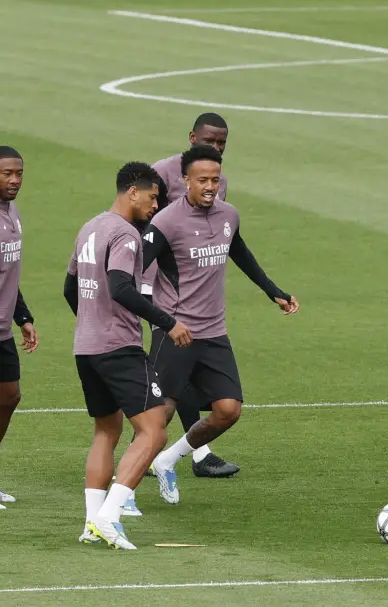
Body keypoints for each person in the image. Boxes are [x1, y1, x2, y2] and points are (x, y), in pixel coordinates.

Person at [142, 145, 298, 504]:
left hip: (213, 332)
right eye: (202, 180)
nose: (210, 186)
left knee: (228, 410)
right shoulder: (166, 221)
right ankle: (124, 489)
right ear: (185, 181)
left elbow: (239, 252)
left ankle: (168, 460)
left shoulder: (229, 214)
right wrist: (156, 318)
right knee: (159, 415)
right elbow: (134, 267)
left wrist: (273, 291)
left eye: (215, 179)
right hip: (177, 332)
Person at [64, 162, 192, 549]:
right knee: (154, 431)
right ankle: (109, 516)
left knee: (107, 430)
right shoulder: (126, 235)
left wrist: (91, 322)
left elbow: (70, 287)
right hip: (118, 347)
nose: (156, 205)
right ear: (131, 192)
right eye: (152, 197)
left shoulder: (91, 226)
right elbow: (121, 287)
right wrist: (168, 322)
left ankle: (91, 523)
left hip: (86, 347)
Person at [147, 112, 238, 479]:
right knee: (164, 400)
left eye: (221, 145)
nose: (214, 148)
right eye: (208, 141)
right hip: (164, 298)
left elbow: (227, 239)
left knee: (220, 402)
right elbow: (140, 230)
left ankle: (186, 455)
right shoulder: (160, 176)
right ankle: (128, 484)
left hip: (205, 311)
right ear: (191, 137)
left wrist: (272, 291)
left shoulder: (222, 193)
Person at [0, 145, 37, 510]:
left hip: (3, 332)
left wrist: (22, 317)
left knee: (10, 396)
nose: (14, 180)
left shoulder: (12, 212)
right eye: (7, 173)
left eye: (19, 173)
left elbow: (8, 273)